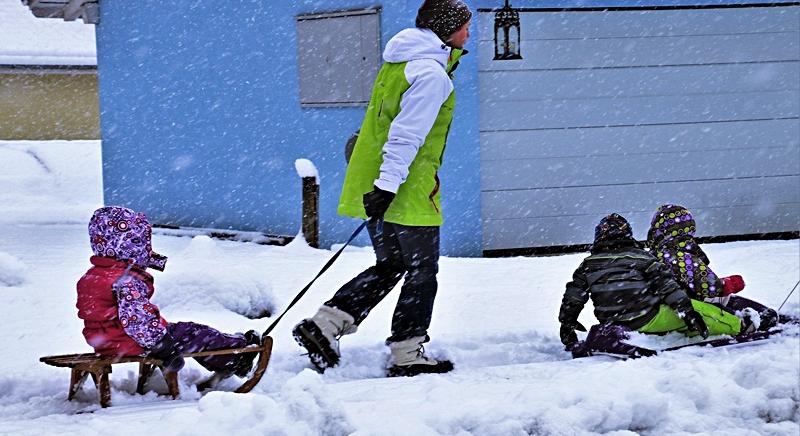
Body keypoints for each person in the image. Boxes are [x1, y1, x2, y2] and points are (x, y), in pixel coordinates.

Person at [292, 0, 472, 377]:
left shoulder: (399, 64)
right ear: (446, 29)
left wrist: (379, 184)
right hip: (405, 184)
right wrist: (388, 186)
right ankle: (408, 352)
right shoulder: (431, 75)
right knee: (422, 271)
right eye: (464, 27)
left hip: (378, 180)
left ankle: (327, 324)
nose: (469, 34)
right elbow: (406, 135)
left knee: (391, 264)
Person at [77, 206, 260, 376]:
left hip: (107, 342)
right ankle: (235, 357)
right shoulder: (125, 281)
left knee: (182, 333)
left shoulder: (93, 276)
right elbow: (137, 321)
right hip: (134, 341)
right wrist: (162, 345)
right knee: (194, 333)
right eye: (141, 242)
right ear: (129, 245)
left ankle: (229, 350)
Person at [558, 214, 748, 357]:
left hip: (611, 320)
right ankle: (741, 325)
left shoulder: (588, 265)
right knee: (703, 311)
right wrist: (687, 311)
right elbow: (667, 287)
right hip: (648, 317)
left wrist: (567, 323)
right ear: (628, 235)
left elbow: (573, 296)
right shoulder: (642, 258)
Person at [646, 204, 781, 331]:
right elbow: (709, 286)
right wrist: (728, 284)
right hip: (688, 306)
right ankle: (748, 323)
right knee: (718, 302)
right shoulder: (681, 258)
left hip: (660, 304)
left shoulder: (653, 254)